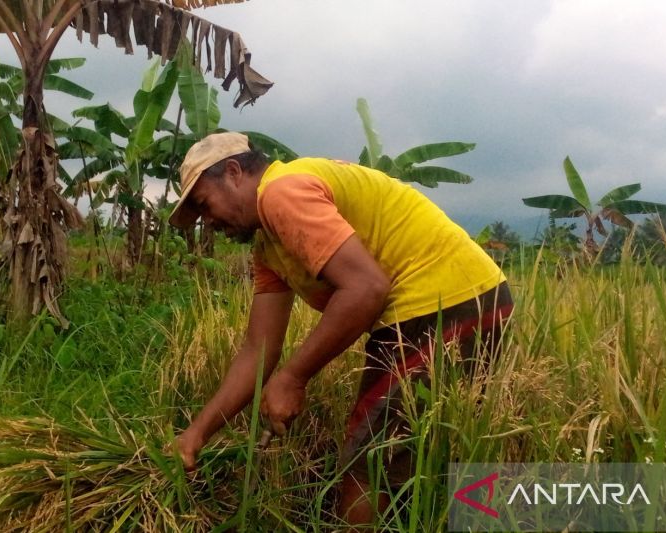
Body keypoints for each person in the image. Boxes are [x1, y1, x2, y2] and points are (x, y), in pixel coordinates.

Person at [169, 131, 513, 528]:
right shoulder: (268, 246)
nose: (208, 223)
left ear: (233, 173)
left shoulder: (282, 192)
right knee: (408, 457)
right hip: (468, 297)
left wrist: (294, 378)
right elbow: (257, 350)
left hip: (442, 301)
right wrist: (197, 434)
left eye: (203, 205)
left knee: (369, 463)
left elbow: (367, 289)